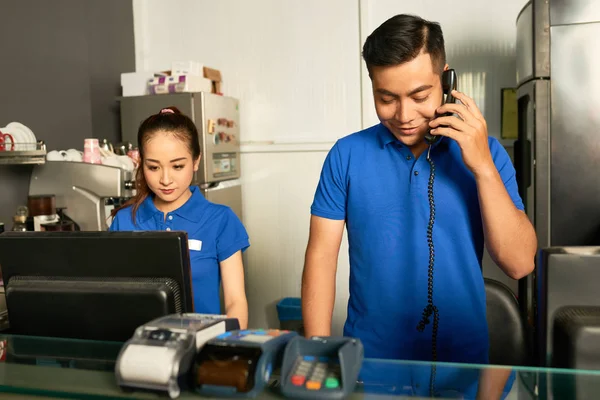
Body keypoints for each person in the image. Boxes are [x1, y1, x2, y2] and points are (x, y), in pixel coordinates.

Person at [301, 14, 537, 398]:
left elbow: (519, 262)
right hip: (370, 371)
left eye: (419, 96)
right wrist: (316, 355)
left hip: (464, 374)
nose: (404, 115)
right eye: (386, 98)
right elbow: (321, 258)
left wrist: (481, 166)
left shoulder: (487, 155)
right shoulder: (346, 156)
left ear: (446, 80)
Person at [110, 107, 249, 328]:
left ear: (195, 161)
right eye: (153, 167)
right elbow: (114, 297)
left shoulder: (221, 220)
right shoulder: (124, 221)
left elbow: (235, 301)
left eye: (177, 166)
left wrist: (227, 349)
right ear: (141, 163)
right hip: (140, 346)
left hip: (201, 348)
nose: (165, 179)